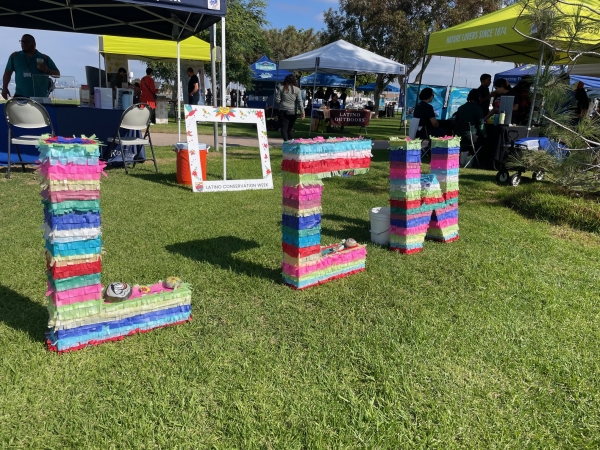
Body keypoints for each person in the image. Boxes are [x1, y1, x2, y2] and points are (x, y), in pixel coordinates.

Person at [2, 33, 60, 99]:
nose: (23, 44)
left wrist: (47, 70)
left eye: (26, 42)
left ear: (34, 44)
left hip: (40, 96)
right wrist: (4, 88)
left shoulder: (44, 58)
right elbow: (7, 73)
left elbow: (57, 74)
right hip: (20, 96)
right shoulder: (15, 56)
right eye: (22, 42)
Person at [275, 74, 305, 141]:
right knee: (290, 129)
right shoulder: (297, 89)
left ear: (285, 80)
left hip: (283, 110)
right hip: (293, 111)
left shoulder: (281, 88)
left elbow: (277, 100)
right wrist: (302, 112)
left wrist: (282, 103)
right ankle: (291, 143)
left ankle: (286, 142)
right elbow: (300, 101)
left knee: (284, 128)